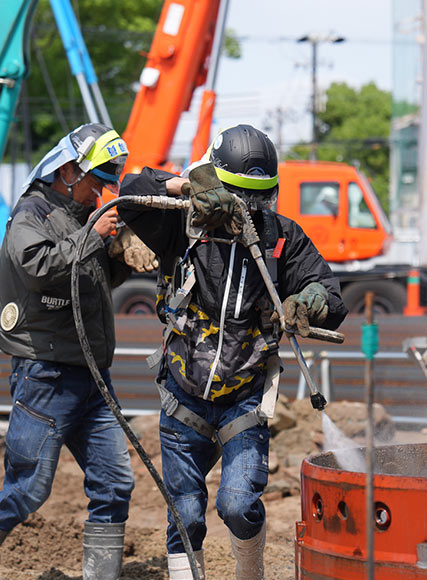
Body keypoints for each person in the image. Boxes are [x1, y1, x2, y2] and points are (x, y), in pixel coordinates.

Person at [117, 124, 348, 579]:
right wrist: (187, 184)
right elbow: (129, 192)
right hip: (183, 398)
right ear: (216, 182)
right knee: (185, 517)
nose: (252, 208)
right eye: (242, 195)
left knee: (239, 506)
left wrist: (312, 300)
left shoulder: (281, 239)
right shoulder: (179, 227)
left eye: (263, 197)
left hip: (244, 398)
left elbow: (333, 298)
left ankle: (250, 571)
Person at [0, 123, 152, 580]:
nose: (101, 190)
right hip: (46, 376)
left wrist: (117, 256)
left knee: (115, 484)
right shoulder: (31, 215)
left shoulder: (82, 218)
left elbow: (87, 283)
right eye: (96, 179)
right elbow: (40, 268)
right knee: (26, 490)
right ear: (68, 170)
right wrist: (94, 236)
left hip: (93, 376)